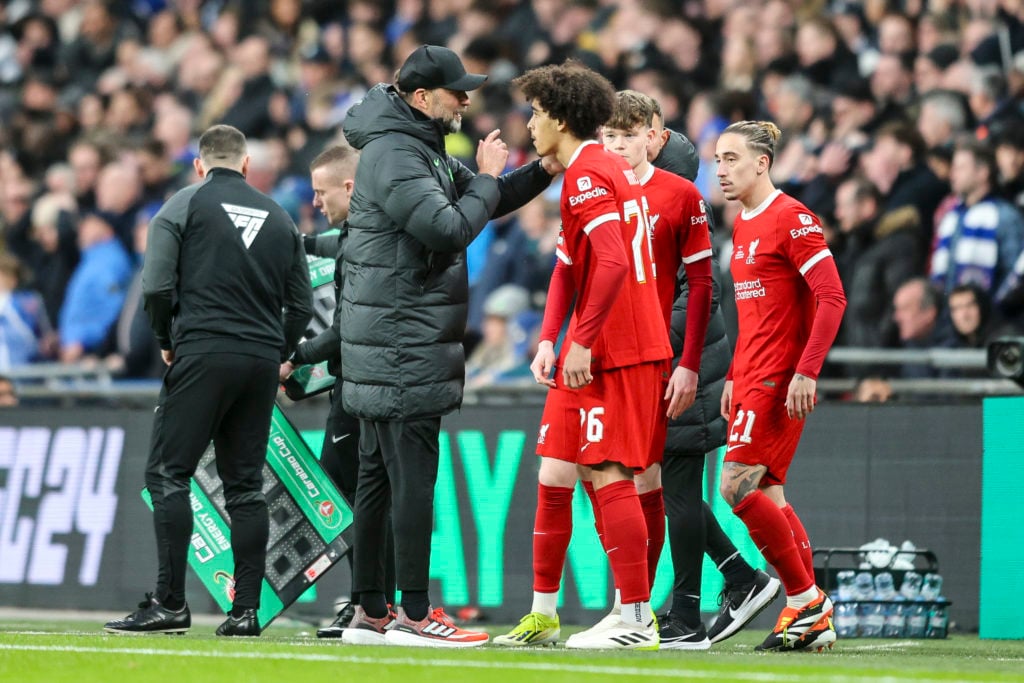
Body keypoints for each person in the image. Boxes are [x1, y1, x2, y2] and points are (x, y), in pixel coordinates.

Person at [338, 45, 559, 647]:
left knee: (380, 481)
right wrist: (486, 177)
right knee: (410, 479)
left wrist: (545, 167)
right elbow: (450, 226)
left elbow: (489, 201)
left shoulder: (411, 144)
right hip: (401, 341)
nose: (466, 99)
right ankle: (413, 614)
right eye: (456, 91)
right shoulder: (395, 152)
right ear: (419, 98)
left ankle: (371, 614)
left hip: (393, 338)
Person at [104, 124, 313, 637]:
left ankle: (171, 604)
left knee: (168, 475)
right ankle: (245, 611)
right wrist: (276, 350)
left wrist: (165, 338)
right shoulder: (281, 217)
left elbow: (156, 286)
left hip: (202, 350)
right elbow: (302, 304)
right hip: (260, 361)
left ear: (200, 166)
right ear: (245, 166)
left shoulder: (182, 206)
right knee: (245, 487)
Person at [497, 62, 673, 651]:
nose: (530, 123)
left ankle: (635, 618)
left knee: (608, 471)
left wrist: (582, 339)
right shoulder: (586, 171)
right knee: (554, 468)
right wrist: (550, 336)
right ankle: (544, 612)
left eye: (537, 113)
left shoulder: (591, 174)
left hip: (618, 349)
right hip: (601, 345)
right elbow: (570, 267)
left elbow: (616, 264)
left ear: (562, 118)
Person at [714, 120, 846, 652]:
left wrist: (807, 370)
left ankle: (805, 598)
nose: (720, 170)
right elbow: (755, 313)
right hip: (751, 374)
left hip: (780, 378)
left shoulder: (791, 218)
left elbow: (831, 297)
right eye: (717, 160)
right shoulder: (744, 223)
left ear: (762, 162)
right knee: (769, 493)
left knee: (735, 486)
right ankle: (808, 612)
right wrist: (732, 373)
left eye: (730, 159)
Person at [279, 142, 397, 639]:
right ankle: (374, 603)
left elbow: (346, 327)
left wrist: (295, 359)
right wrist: (293, 243)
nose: (315, 202)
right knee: (360, 496)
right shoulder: (357, 233)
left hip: (365, 383)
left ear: (350, 187)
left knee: (355, 497)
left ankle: (373, 605)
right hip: (356, 384)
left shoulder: (368, 240)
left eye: (321, 192)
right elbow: (327, 245)